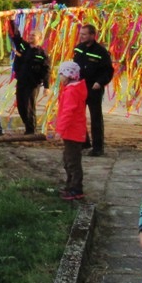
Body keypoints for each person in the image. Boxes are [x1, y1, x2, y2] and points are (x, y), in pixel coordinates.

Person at [73, 24, 114, 156]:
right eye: (81, 34)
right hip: (80, 87)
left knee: (95, 118)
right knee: (78, 116)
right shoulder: (79, 48)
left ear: (92, 35)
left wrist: (100, 82)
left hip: (93, 88)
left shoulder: (101, 52)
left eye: (84, 34)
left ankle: (98, 148)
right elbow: (74, 67)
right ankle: (84, 142)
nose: (81, 36)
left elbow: (108, 71)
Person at [54, 61, 88, 200]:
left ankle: (76, 189)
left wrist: (60, 131)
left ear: (68, 75)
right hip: (72, 131)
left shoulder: (71, 91)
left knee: (72, 162)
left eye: (61, 74)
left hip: (72, 132)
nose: (60, 77)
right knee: (68, 160)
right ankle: (70, 186)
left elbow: (68, 112)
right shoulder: (72, 89)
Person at [8, 23, 50, 134]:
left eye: (33, 35)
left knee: (29, 107)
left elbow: (46, 70)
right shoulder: (24, 47)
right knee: (21, 106)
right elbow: (16, 36)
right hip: (21, 81)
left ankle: (31, 130)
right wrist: (12, 21)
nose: (30, 37)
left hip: (33, 84)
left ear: (39, 38)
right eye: (30, 35)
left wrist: (46, 87)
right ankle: (28, 126)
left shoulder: (42, 54)